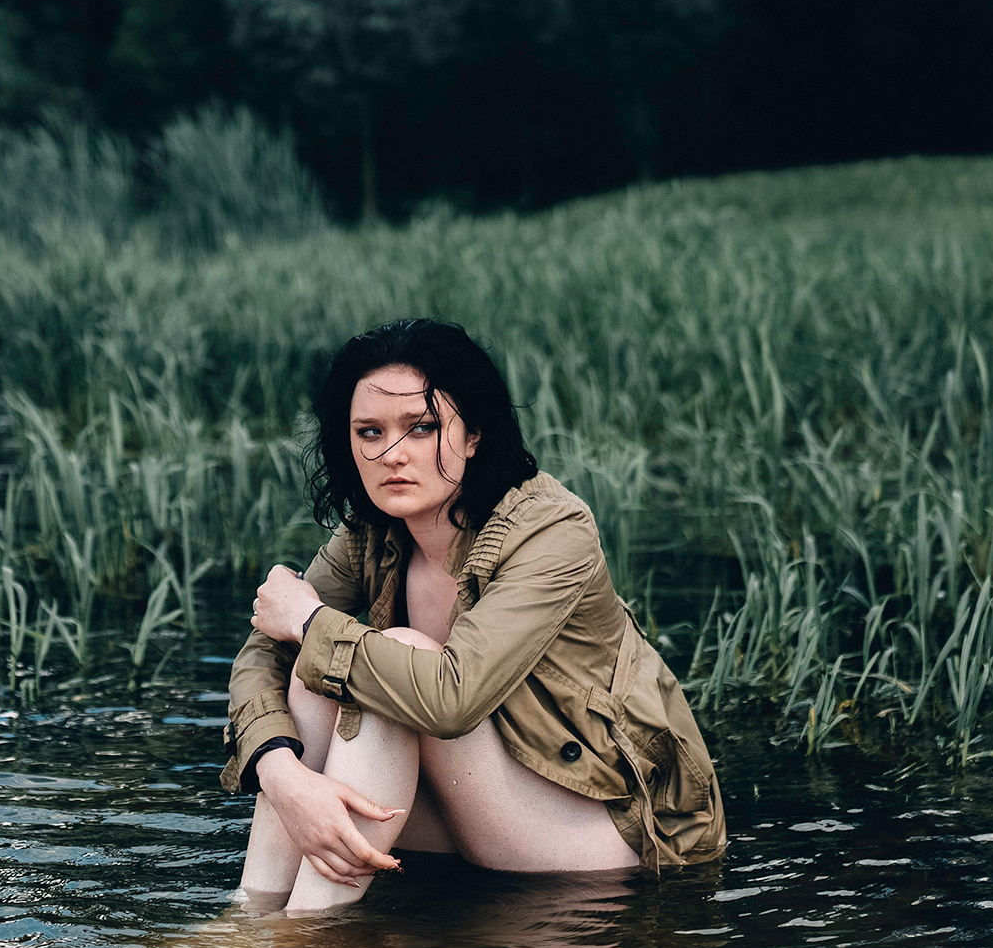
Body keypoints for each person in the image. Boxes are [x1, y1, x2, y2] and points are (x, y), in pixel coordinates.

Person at [226, 318, 725, 912]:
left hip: (610, 835)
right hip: (475, 806)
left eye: (423, 427)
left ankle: (303, 932)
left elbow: (450, 699)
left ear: (474, 435)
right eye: (369, 432)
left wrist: (309, 621)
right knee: (317, 683)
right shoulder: (372, 531)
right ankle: (251, 915)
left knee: (387, 655)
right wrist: (283, 777)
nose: (393, 455)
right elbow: (262, 656)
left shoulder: (553, 530)